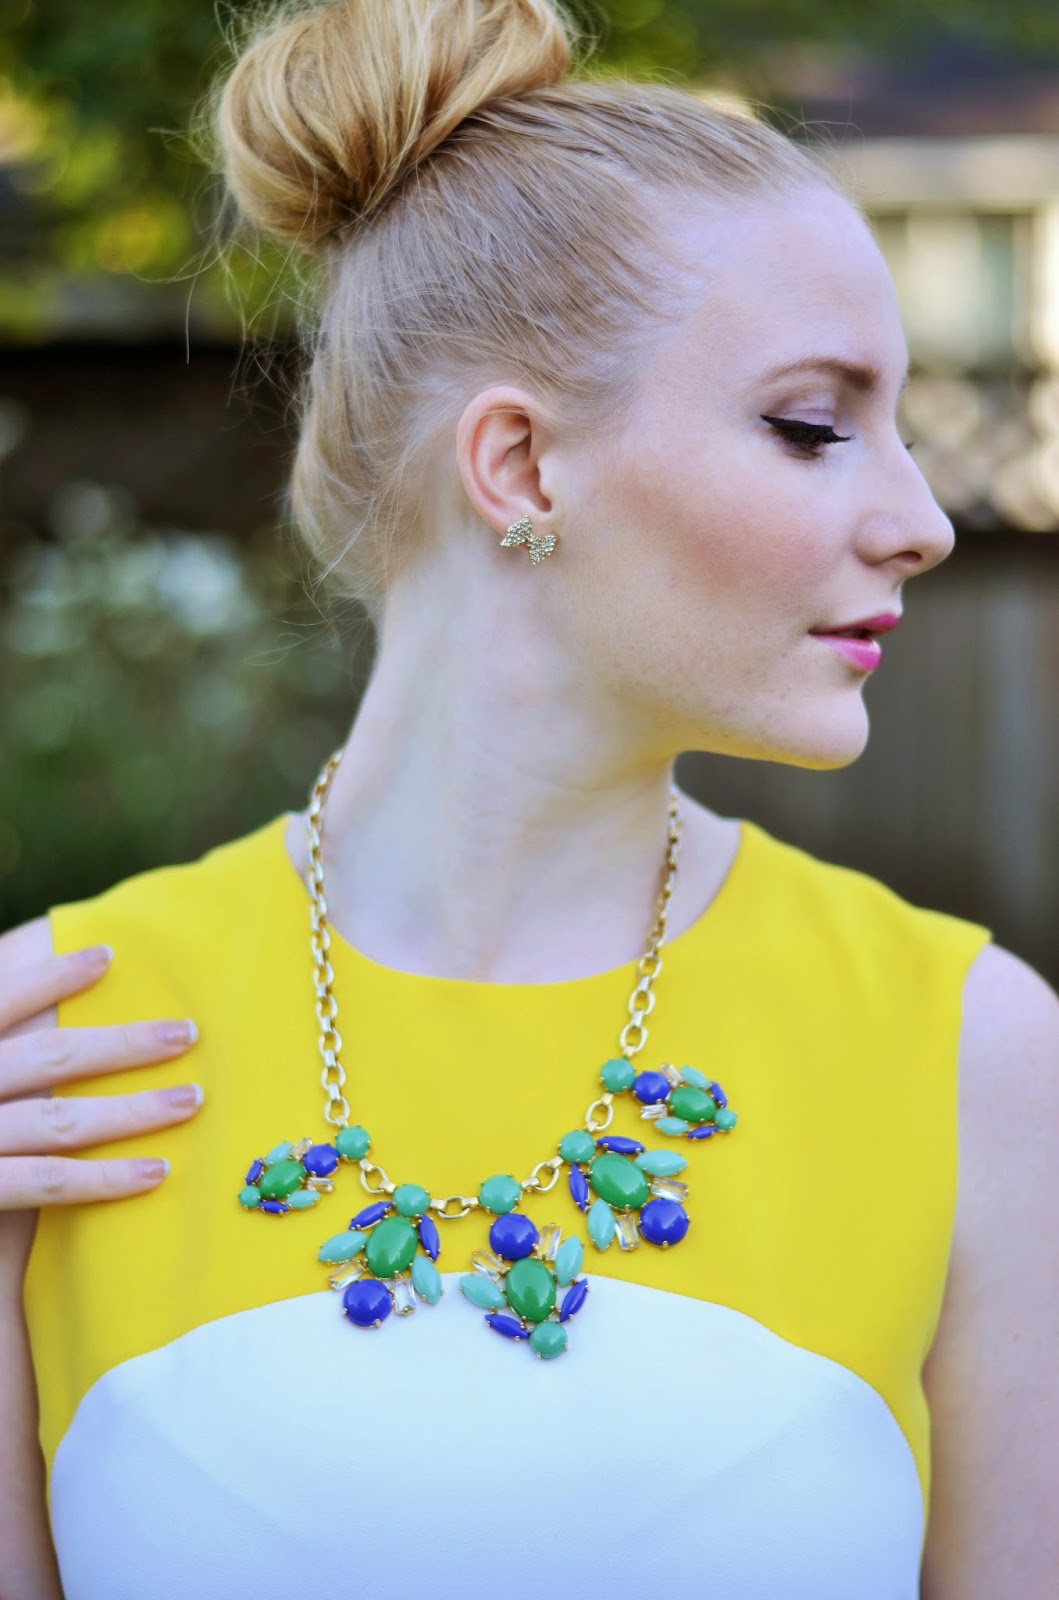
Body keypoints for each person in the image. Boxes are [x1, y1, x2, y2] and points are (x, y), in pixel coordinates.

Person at [1, 1, 1057, 1596]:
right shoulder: (58, 1051)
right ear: (521, 467)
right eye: (813, 428)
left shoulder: (974, 1054)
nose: (923, 520)